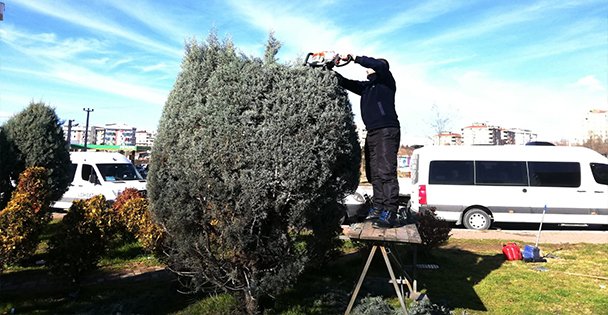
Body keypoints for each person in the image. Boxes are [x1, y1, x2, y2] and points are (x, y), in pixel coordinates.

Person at [335, 54, 401, 228]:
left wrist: (354, 58)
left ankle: (390, 212)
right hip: (373, 132)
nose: (367, 68)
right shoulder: (367, 87)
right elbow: (347, 83)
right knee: (374, 173)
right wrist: (330, 71)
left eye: (372, 66)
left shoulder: (386, 80)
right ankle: (378, 207)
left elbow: (379, 65)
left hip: (387, 129)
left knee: (386, 171)